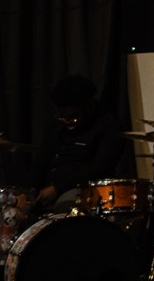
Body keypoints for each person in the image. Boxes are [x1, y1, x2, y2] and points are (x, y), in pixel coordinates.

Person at [33, 75, 131, 213]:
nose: (67, 122)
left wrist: (58, 188)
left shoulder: (109, 127)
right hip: (49, 191)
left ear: (89, 106)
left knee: (66, 204)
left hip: (83, 191)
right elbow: (42, 160)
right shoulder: (56, 127)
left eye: (73, 118)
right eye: (63, 117)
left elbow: (99, 168)